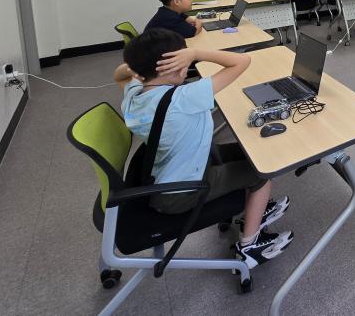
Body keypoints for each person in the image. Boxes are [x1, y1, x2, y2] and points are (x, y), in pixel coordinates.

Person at [114, 28, 292, 269]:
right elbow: (242, 61)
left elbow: (119, 74)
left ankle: (255, 206)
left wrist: (142, 65)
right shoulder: (184, 98)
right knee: (261, 172)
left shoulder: (133, 96)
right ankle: (249, 245)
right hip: (183, 192)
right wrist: (196, 53)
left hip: (172, 172)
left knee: (250, 153)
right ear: (172, 67)